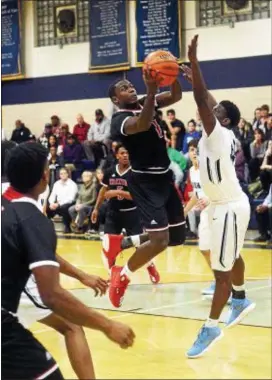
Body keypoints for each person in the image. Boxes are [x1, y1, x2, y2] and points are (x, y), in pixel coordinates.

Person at [1, 142, 135, 380]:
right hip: (11, 302)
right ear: (45, 176)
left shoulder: (7, 200)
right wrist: (108, 325)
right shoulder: (30, 216)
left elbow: (34, 249)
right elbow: (52, 294)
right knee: (72, 326)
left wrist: (81, 276)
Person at [182, 36, 255, 358]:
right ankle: (240, 299)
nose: (209, 110)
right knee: (229, 255)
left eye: (216, 110)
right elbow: (208, 100)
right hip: (224, 203)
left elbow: (200, 98)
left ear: (222, 119)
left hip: (228, 206)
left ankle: (211, 327)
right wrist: (197, 76)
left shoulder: (217, 132)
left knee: (220, 271)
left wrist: (195, 65)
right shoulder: (227, 131)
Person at [107, 67, 186, 308]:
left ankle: (125, 243)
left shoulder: (144, 102)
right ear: (115, 99)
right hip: (144, 183)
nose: (130, 88)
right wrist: (151, 91)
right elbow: (141, 124)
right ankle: (121, 275)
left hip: (164, 178)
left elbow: (175, 97)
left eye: (131, 86)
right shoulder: (119, 120)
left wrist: (172, 77)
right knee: (160, 241)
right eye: (123, 88)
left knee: (176, 238)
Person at [91, 143, 160, 285]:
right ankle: (113, 274)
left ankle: (150, 266)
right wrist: (96, 209)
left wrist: (118, 192)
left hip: (132, 214)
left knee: (141, 247)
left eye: (127, 153)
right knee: (108, 246)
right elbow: (103, 191)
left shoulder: (135, 173)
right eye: (122, 153)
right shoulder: (109, 171)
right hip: (113, 213)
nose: (125, 155)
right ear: (117, 155)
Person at [47, 167, 78, 233]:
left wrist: (58, 204)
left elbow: (71, 199)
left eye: (64, 173)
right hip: (57, 204)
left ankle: (67, 226)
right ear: (59, 175)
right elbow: (52, 195)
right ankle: (47, 226)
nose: (63, 175)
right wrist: (51, 203)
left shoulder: (72, 184)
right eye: (61, 174)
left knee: (64, 207)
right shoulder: (56, 183)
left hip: (69, 203)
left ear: (68, 174)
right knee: (46, 206)